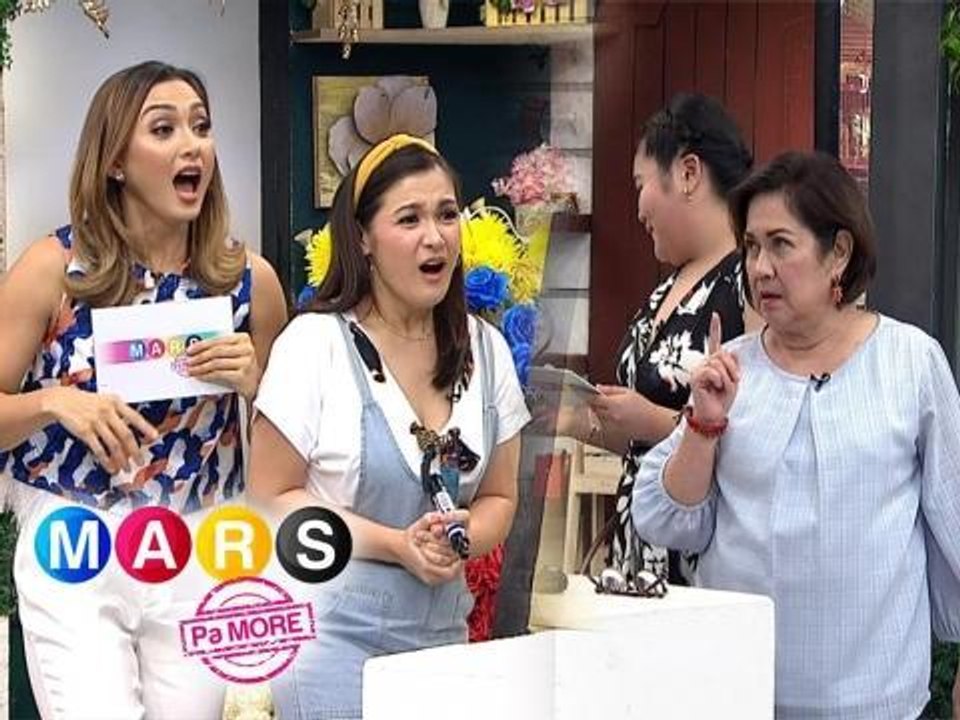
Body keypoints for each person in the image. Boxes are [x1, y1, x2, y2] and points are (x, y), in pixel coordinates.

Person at [0, 61, 287, 718]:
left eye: (201, 127)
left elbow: (294, 449)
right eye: (164, 129)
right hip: (77, 541)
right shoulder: (53, 270)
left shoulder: (250, 282)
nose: (192, 146)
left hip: (197, 543)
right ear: (114, 162)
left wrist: (257, 385)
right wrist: (54, 402)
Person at [632, 151, 960, 718]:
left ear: (839, 253)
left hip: (876, 700)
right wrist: (703, 425)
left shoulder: (910, 362)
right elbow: (668, 521)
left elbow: (953, 513)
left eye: (781, 244)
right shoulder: (730, 369)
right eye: (751, 247)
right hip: (740, 694)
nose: (760, 267)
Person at [247, 134, 531, 719]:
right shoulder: (314, 345)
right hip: (330, 641)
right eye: (409, 219)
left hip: (443, 642)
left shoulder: (488, 351)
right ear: (362, 239)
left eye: (446, 215)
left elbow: (500, 496)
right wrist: (396, 546)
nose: (435, 236)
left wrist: (462, 536)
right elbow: (271, 498)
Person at [548, 92, 758, 584]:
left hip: (696, 558)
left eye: (641, 184)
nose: (638, 209)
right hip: (635, 552)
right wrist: (573, 421)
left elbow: (759, 438)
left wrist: (655, 420)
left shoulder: (748, 282)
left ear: (687, 173)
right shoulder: (667, 286)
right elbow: (640, 438)